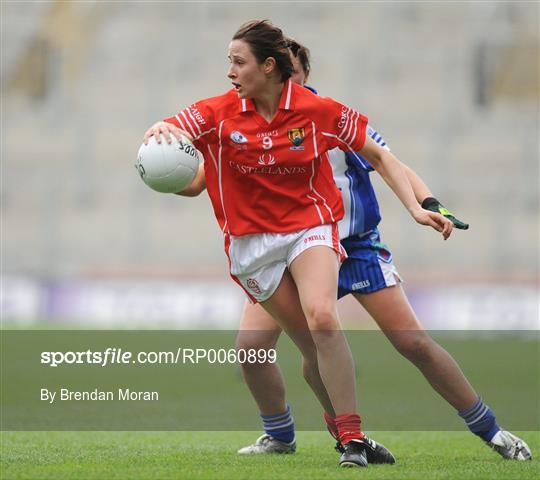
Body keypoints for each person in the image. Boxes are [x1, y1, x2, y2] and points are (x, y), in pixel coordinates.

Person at [176, 37, 533, 463]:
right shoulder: (250, 125)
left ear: (299, 74)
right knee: (258, 350)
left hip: (353, 246)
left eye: (293, 72)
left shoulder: (325, 117)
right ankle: (290, 435)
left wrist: (426, 203)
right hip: (290, 249)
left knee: (412, 343)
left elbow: (388, 160)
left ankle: (491, 430)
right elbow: (201, 178)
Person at [143, 20, 455, 468]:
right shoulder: (218, 111)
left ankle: (351, 441)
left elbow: (383, 156)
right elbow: (177, 132)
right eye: (228, 61)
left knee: (323, 317)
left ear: (269, 66)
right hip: (252, 247)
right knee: (303, 347)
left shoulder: (316, 110)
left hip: (311, 228)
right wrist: (160, 130)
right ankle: (322, 434)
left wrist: (417, 207)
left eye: (238, 61)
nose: (229, 71)